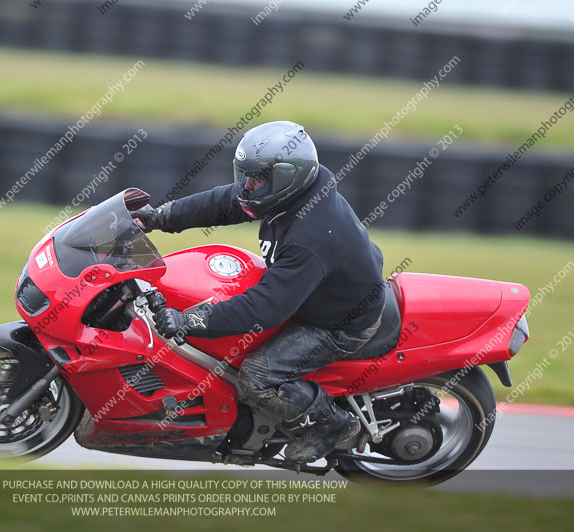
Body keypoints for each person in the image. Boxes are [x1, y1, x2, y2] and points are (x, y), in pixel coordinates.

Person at [130, 120, 386, 463]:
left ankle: (332, 423)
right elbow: (226, 202)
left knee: (258, 377)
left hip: (337, 323)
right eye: (246, 175)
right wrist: (160, 217)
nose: (248, 185)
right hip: (309, 293)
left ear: (286, 175)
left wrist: (187, 319)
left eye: (259, 178)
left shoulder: (313, 234)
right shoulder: (291, 194)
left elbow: (264, 309)